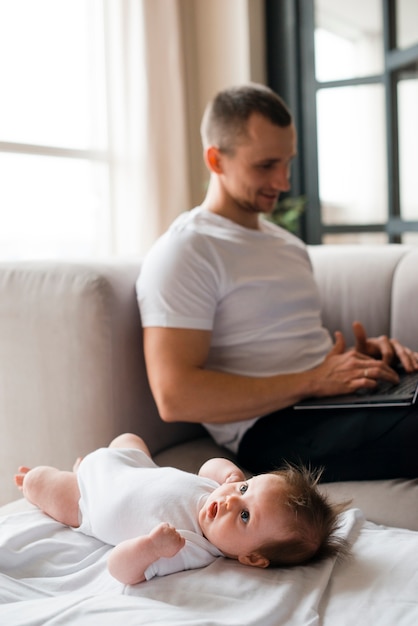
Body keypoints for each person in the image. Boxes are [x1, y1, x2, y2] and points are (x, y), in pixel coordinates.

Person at [137, 82, 418, 482]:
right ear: (216, 160)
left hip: (332, 401)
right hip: (272, 428)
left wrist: (366, 361)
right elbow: (174, 396)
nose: (284, 182)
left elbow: (292, 346)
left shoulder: (287, 244)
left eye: (288, 162)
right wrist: (314, 381)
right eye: (266, 165)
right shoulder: (186, 250)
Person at [14, 433, 347, 585]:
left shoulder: (190, 548)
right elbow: (207, 468)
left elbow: (119, 570)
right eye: (245, 487)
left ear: (253, 558)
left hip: (89, 498)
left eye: (245, 515)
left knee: (43, 483)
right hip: (133, 465)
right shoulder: (218, 492)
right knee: (129, 439)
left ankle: (40, 480)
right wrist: (228, 472)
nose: (232, 499)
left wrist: (150, 548)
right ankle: (92, 462)